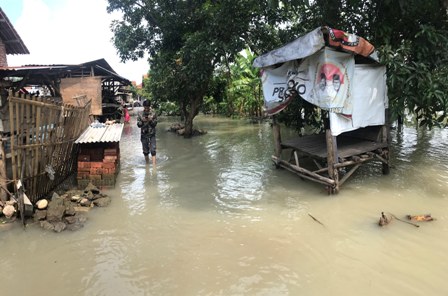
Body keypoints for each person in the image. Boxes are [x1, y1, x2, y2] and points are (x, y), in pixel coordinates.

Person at [137, 100, 157, 165]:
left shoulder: (153, 113)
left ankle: (154, 166)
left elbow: (155, 124)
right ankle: (147, 165)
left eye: (147, 107)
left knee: (153, 150)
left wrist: (151, 120)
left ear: (149, 106)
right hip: (144, 134)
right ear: (143, 107)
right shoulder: (140, 114)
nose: (146, 109)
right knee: (145, 151)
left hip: (152, 134)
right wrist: (142, 121)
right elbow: (138, 125)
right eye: (145, 107)